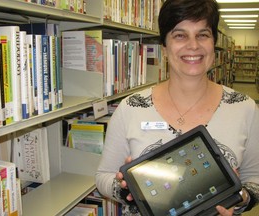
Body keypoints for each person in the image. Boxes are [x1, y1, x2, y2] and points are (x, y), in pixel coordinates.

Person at [95, 0, 259, 215]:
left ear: (214, 43)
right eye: (180, 35)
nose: (193, 45)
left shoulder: (244, 108)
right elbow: (103, 176)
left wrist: (239, 198)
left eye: (203, 34)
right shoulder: (130, 108)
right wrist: (128, 190)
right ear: (164, 46)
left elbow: (255, 177)